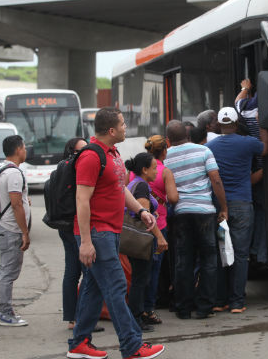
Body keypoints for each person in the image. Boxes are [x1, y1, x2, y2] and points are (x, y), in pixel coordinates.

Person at [68, 107, 165, 359]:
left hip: (110, 231)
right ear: (111, 130)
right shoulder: (91, 157)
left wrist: (141, 212)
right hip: (97, 233)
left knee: (93, 287)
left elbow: (120, 188)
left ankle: (79, 343)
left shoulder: (112, 153)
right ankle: (132, 345)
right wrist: (86, 242)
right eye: (122, 124)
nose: (125, 128)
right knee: (116, 285)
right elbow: (82, 199)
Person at [206, 107, 268, 314]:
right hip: (242, 205)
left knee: (221, 252)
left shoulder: (210, 146)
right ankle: (237, 302)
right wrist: (261, 123)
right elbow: (266, 148)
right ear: (236, 123)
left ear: (219, 125)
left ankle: (218, 300)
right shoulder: (248, 143)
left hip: (219, 207)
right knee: (240, 255)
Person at [163, 120, 228, 320]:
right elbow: (215, 179)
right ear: (188, 135)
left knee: (183, 261)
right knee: (208, 259)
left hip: (180, 213)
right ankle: (204, 307)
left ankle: (183, 307)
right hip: (204, 212)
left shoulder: (166, 158)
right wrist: (224, 207)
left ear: (168, 140)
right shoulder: (203, 151)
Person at [60, 137, 106, 333]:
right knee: (86, 273)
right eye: (82, 149)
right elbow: (82, 199)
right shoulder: (78, 167)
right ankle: (83, 319)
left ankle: (73, 318)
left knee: (72, 271)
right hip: (74, 224)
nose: (87, 152)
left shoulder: (62, 167)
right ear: (72, 151)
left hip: (64, 223)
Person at [124, 152, 169, 332]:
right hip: (140, 240)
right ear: (144, 170)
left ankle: (138, 313)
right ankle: (135, 318)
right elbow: (146, 219)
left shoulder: (137, 183)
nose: (157, 171)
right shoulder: (141, 186)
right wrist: (160, 237)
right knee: (140, 279)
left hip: (138, 239)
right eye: (153, 168)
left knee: (141, 277)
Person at [139, 136, 178, 325]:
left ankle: (142, 304)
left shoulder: (136, 172)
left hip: (138, 228)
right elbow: (173, 197)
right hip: (159, 225)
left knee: (142, 269)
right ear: (164, 151)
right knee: (157, 268)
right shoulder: (164, 172)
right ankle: (149, 307)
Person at [0, 135, 30, 326]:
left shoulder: (2, 169)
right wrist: (25, 232)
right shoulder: (13, 173)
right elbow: (16, 204)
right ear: (17, 150)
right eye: (24, 147)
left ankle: (0, 310)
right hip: (11, 229)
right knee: (8, 272)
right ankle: (5, 313)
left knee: (3, 271)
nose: (25, 150)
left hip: (3, 227)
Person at [235, 78, 268, 266]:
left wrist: (244, 88)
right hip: (259, 172)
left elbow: (237, 101)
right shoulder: (264, 113)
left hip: (252, 171)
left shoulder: (243, 108)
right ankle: (261, 253)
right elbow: (265, 149)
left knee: (258, 211)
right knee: (264, 212)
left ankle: (257, 251)